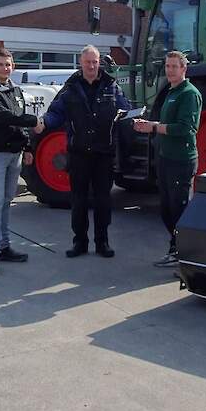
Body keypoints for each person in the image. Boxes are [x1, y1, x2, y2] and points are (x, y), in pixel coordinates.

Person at [35, 44, 131, 258]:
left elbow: (125, 109)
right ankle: (79, 242)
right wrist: (44, 123)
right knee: (78, 200)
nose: (91, 66)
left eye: (95, 62)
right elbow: (55, 113)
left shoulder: (111, 85)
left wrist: (134, 120)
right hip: (79, 153)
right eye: (88, 62)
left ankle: (102, 242)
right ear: (81, 63)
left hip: (103, 154)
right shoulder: (70, 88)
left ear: (99, 63)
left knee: (103, 200)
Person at [133, 50, 202, 267]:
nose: (170, 70)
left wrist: (153, 127)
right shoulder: (171, 92)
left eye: (174, 66)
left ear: (184, 69)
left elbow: (185, 128)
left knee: (179, 208)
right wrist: (148, 125)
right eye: (167, 66)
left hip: (181, 160)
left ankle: (185, 255)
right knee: (166, 209)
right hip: (166, 158)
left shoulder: (189, 94)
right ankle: (176, 249)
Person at [0, 48, 39, 276]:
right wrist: (34, 121)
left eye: (9, 64)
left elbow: (18, 122)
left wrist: (28, 146)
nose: (5, 68)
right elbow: (1, 116)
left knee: (5, 202)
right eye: (1, 64)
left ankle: (4, 247)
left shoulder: (16, 91)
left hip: (15, 154)